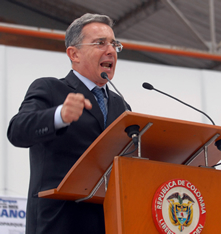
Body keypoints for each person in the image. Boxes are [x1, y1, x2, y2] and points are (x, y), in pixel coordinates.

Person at [7, 13, 130, 234]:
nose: (110, 50)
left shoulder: (121, 106)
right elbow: (17, 131)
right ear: (74, 54)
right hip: (58, 222)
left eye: (114, 44)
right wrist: (59, 116)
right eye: (100, 43)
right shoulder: (50, 89)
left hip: (108, 223)